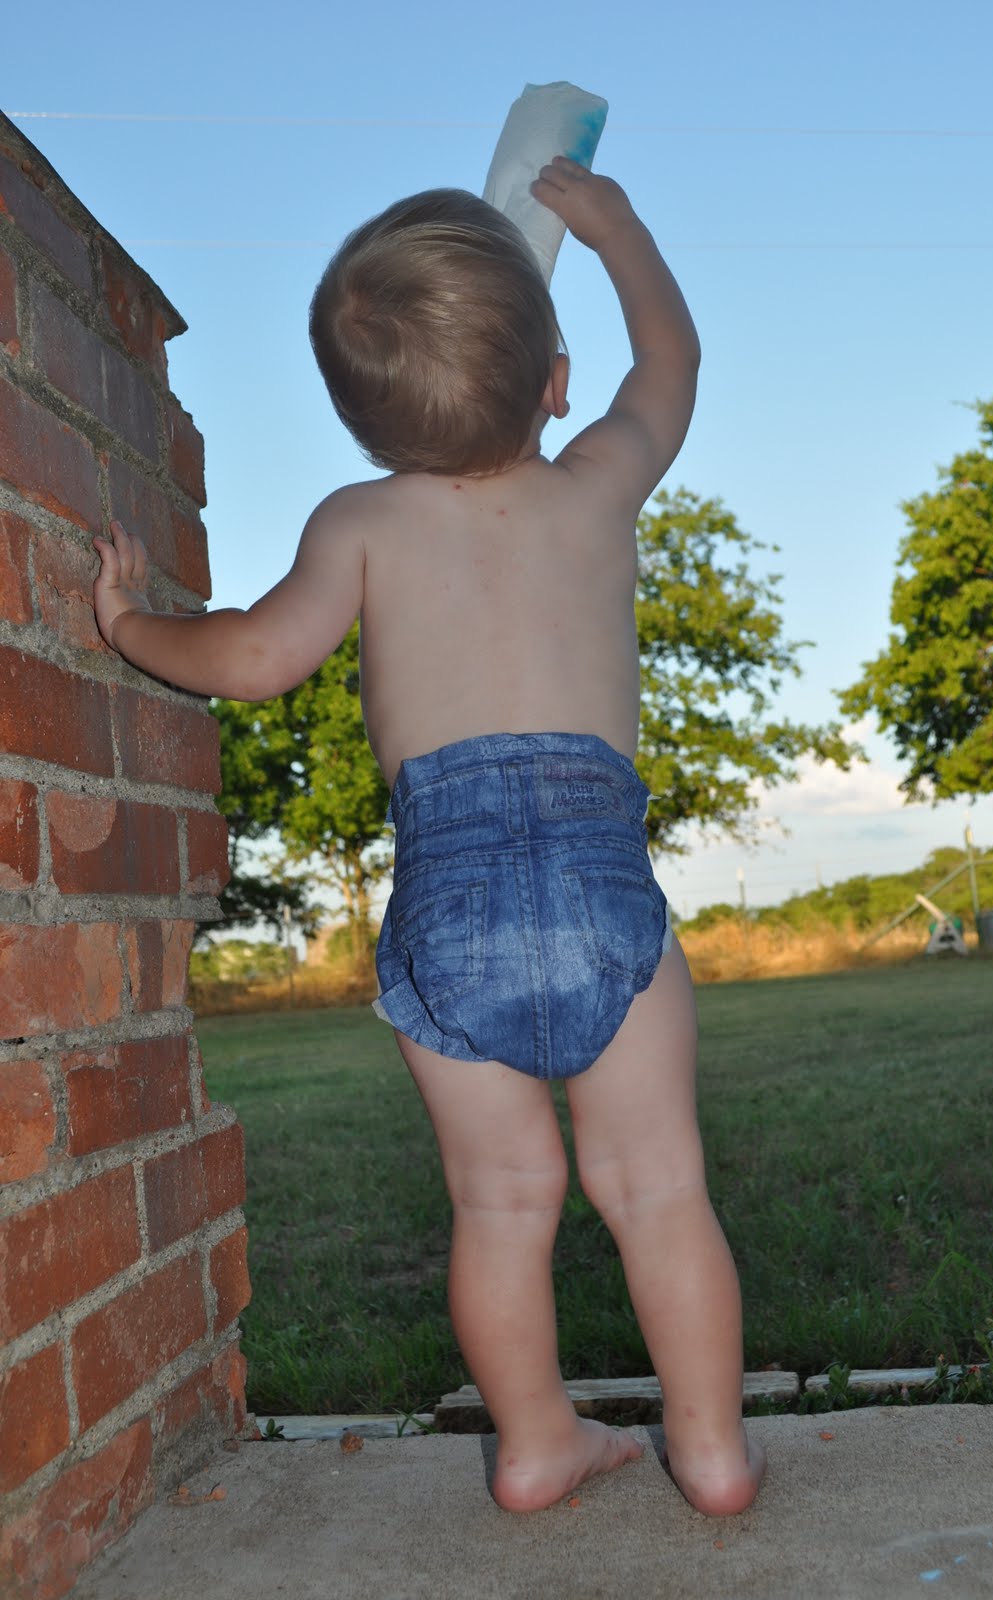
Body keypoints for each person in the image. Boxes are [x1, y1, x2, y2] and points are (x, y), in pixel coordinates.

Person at [92, 157, 766, 1517]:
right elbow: (674, 363)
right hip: (603, 886)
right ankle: (712, 1451)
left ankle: (533, 1443)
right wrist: (618, 228)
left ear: (360, 419)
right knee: (658, 1188)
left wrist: (127, 627)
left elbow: (256, 658)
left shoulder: (360, 522)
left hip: (444, 913)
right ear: (556, 381)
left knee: (505, 1203)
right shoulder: (594, 489)